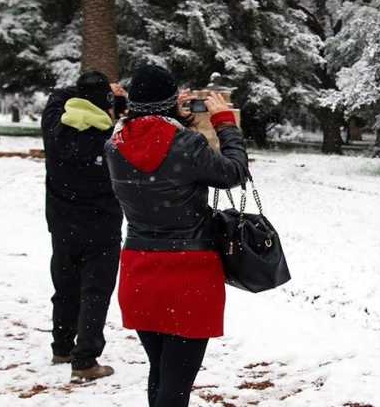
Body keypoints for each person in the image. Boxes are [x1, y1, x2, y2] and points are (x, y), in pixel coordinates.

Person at [104, 64, 248, 407]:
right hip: (190, 271)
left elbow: (146, 135)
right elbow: (235, 172)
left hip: (139, 269)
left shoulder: (114, 144)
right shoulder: (186, 144)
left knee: (162, 372)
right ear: (172, 102)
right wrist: (225, 123)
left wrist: (170, 115)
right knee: (177, 382)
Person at [41, 71, 126, 382]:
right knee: (96, 292)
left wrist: (91, 90)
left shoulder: (54, 130)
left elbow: (56, 99)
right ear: (105, 106)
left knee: (64, 287)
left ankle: (62, 346)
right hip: (102, 227)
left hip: (62, 225)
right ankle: (85, 359)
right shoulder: (112, 142)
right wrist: (114, 96)